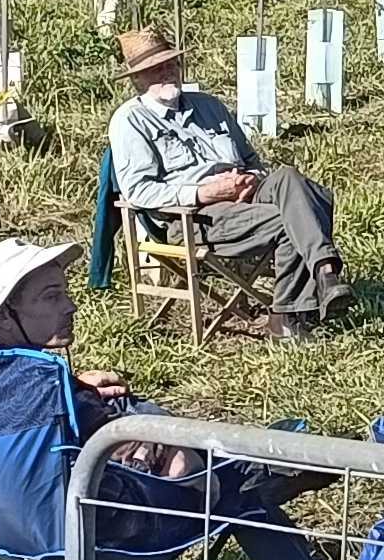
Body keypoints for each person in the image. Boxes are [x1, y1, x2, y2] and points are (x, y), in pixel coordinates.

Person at [0, 239, 341, 560]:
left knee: (190, 447)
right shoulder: (45, 390)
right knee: (241, 489)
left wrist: (75, 388)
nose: (70, 306)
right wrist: (172, 449)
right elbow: (147, 454)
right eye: (52, 297)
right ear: (2, 316)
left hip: (5, 543)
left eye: (65, 293)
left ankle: (267, 461)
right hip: (104, 541)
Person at [104, 26, 347, 338]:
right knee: (297, 216)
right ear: (137, 80)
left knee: (292, 179)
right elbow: (138, 190)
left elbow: (250, 159)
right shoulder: (130, 121)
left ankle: (323, 277)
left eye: (170, 65)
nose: (165, 73)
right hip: (195, 217)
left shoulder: (210, 106)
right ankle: (289, 312)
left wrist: (249, 179)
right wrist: (205, 192)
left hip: (245, 195)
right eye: (154, 70)